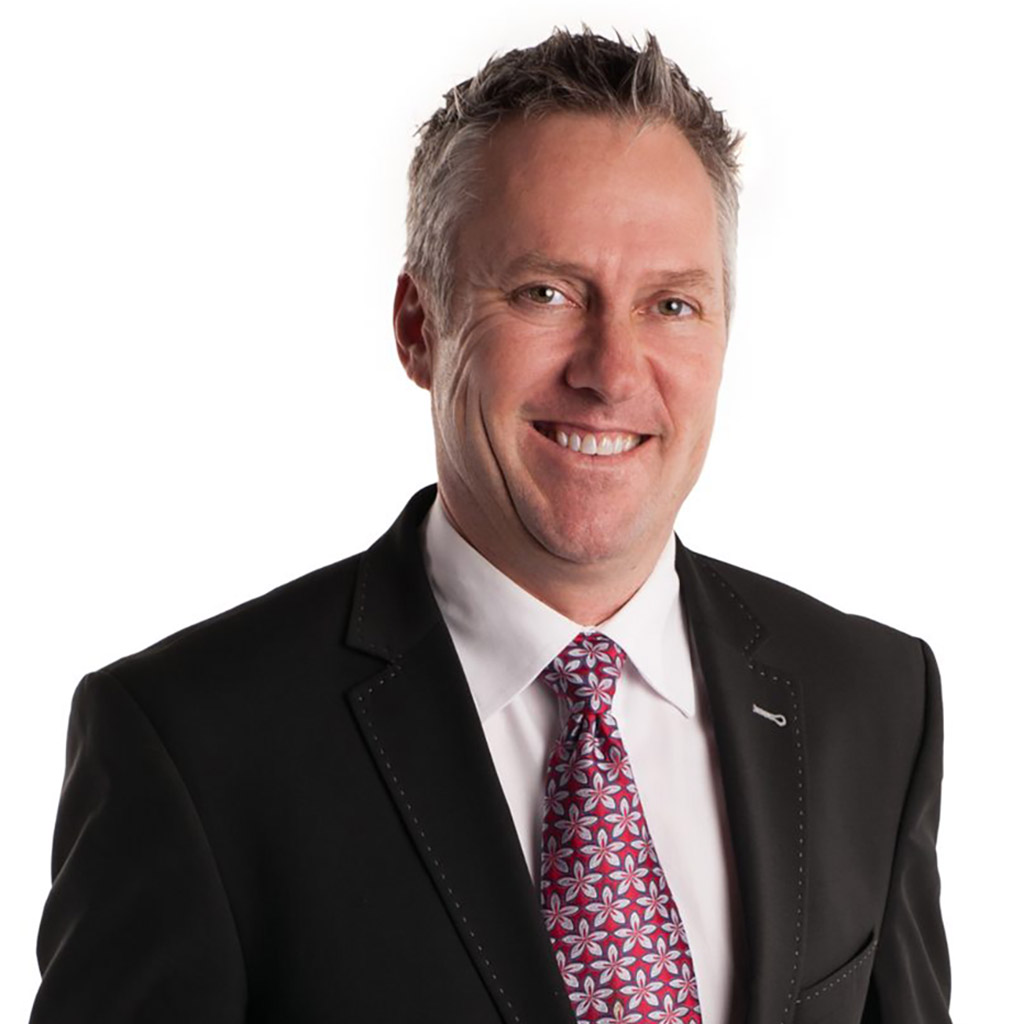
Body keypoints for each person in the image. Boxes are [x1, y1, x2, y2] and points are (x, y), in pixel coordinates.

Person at [30, 28, 951, 1024]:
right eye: (545, 293)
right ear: (418, 327)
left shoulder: (869, 701)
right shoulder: (193, 744)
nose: (611, 372)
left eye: (671, 304)